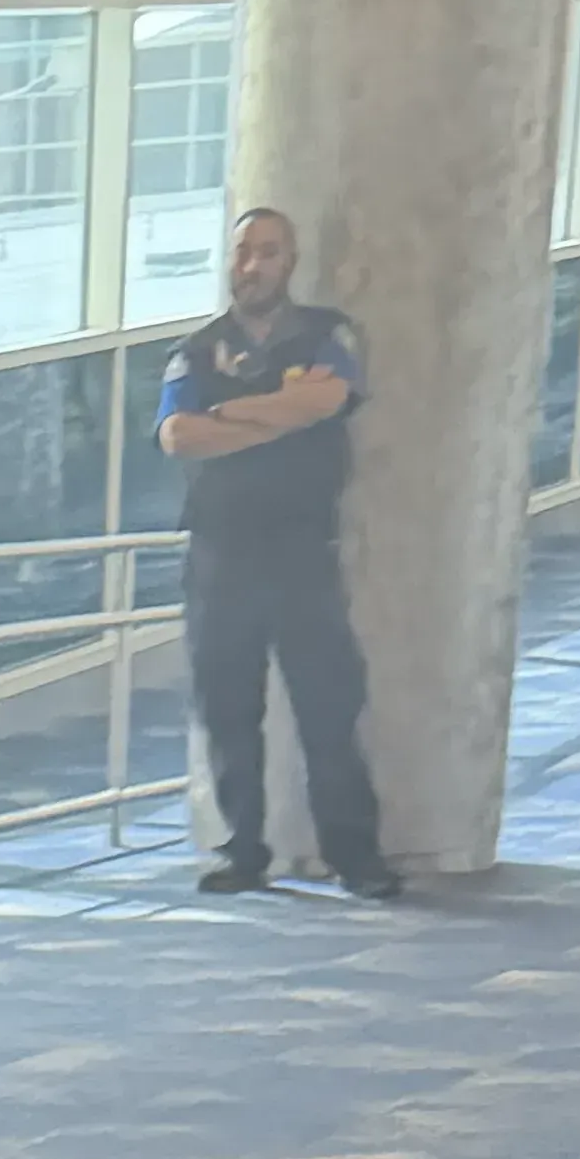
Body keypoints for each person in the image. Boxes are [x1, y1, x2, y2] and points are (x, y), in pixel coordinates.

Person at [156, 202, 400, 903]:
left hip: (301, 553)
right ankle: (243, 852)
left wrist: (227, 414)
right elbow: (177, 435)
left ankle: (356, 855)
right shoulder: (197, 349)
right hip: (220, 555)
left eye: (267, 252)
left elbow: (325, 401)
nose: (251, 265)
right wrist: (275, 412)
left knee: (329, 705)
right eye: (242, 253)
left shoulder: (326, 334)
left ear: (289, 263)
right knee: (228, 709)